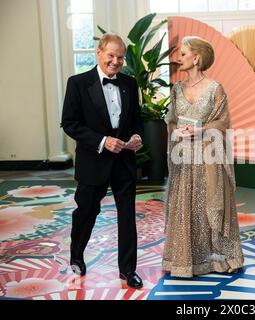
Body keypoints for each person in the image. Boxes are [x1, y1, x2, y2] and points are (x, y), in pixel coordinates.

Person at [61, 33, 144, 288]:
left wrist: (137, 136)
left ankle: (128, 270)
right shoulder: (77, 83)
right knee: (86, 212)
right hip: (92, 162)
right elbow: (70, 123)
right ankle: (77, 255)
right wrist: (102, 141)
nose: (116, 61)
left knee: (127, 216)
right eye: (111, 55)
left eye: (120, 57)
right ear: (99, 52)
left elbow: (136, 121)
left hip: (124, 162)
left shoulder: (130, 84)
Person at [163, 36, 244, 278]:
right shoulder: (177, 89)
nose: (179, 58)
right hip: (183, 159)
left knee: (209, 206)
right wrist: (175, 130)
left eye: (184, 54)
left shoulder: (215, 88)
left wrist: (200, 130)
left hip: (208, 157)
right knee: (186, 207)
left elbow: (223, 122)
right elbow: (171, 121)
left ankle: (219, 260)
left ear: (196, 58)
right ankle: (187, 261)